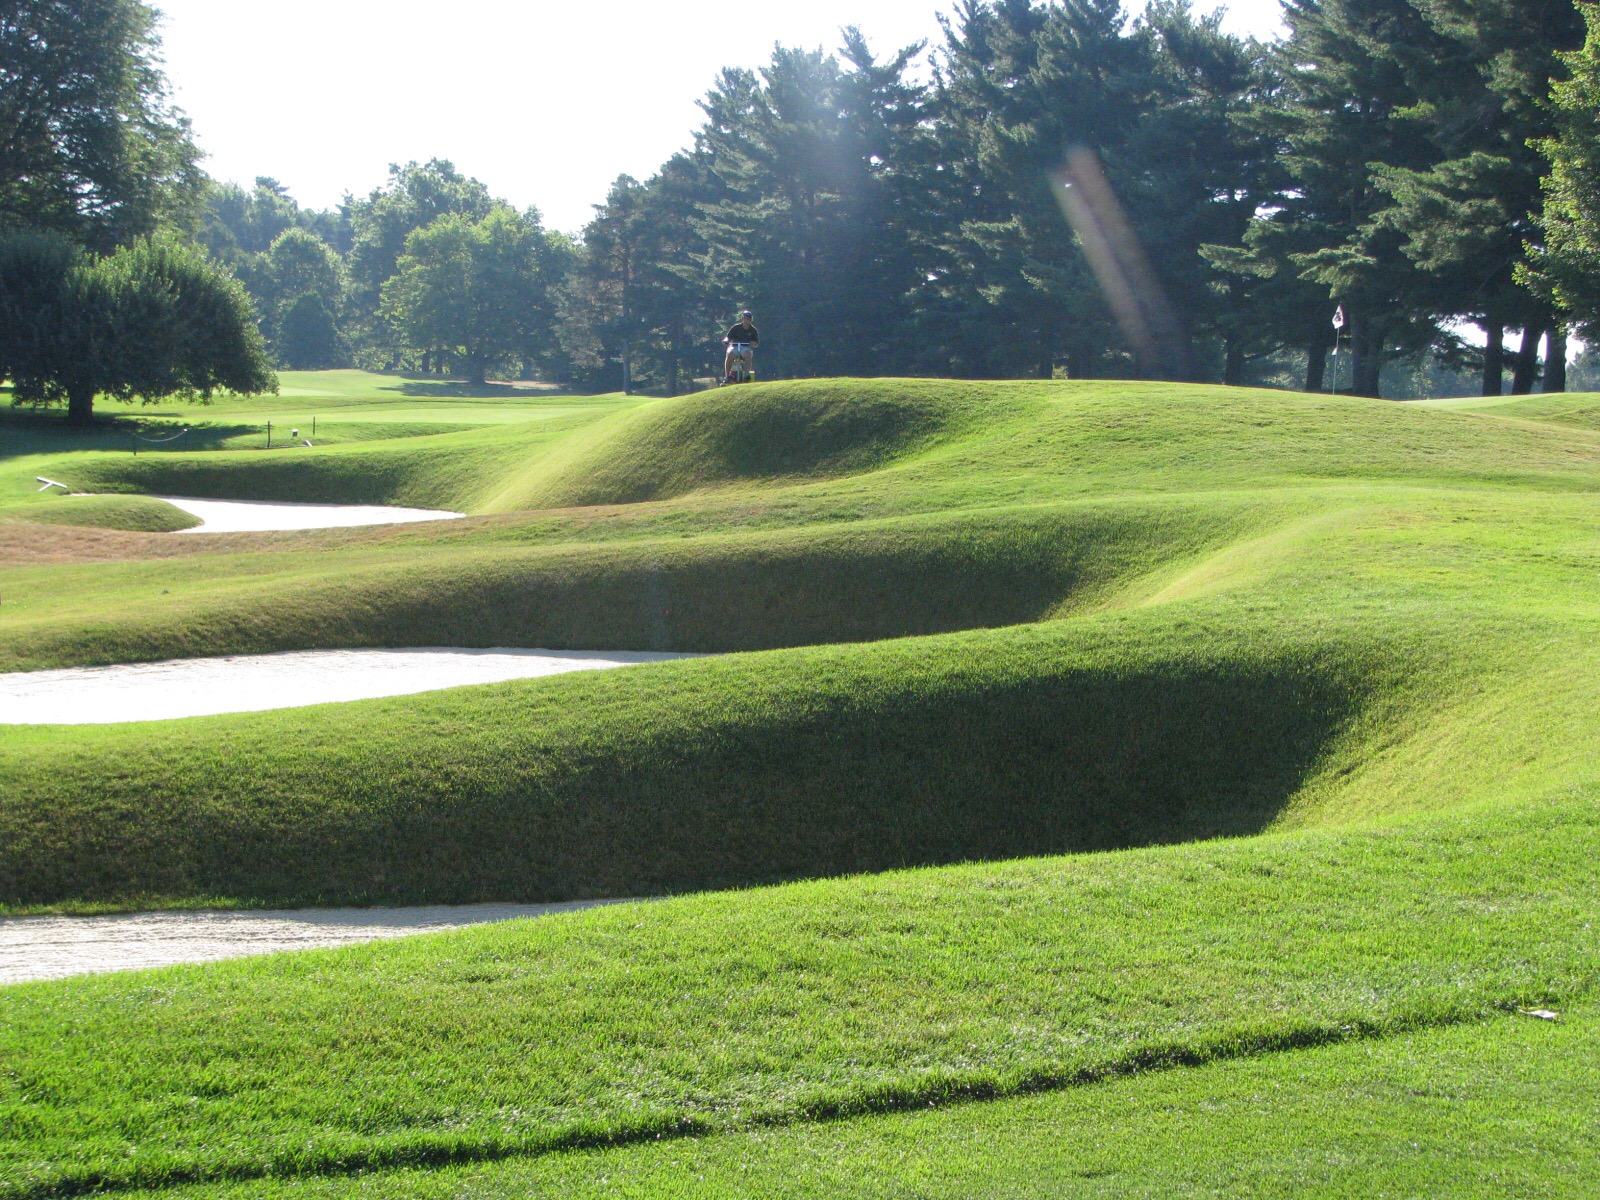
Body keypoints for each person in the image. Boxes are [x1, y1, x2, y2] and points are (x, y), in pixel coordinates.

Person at [724, 311, 759, 382]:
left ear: (750, 320)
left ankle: (746, 374)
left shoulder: (753, 330)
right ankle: (727, 376)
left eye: (748, 319)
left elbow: (756, 343)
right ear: (742, 319)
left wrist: (753, 343)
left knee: (748, 354)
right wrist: (726, 340)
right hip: (734, 346)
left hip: (745, 347)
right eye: (745, 318)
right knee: (730, 354)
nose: (746, 320)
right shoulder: (736, 328)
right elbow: (728, 337)